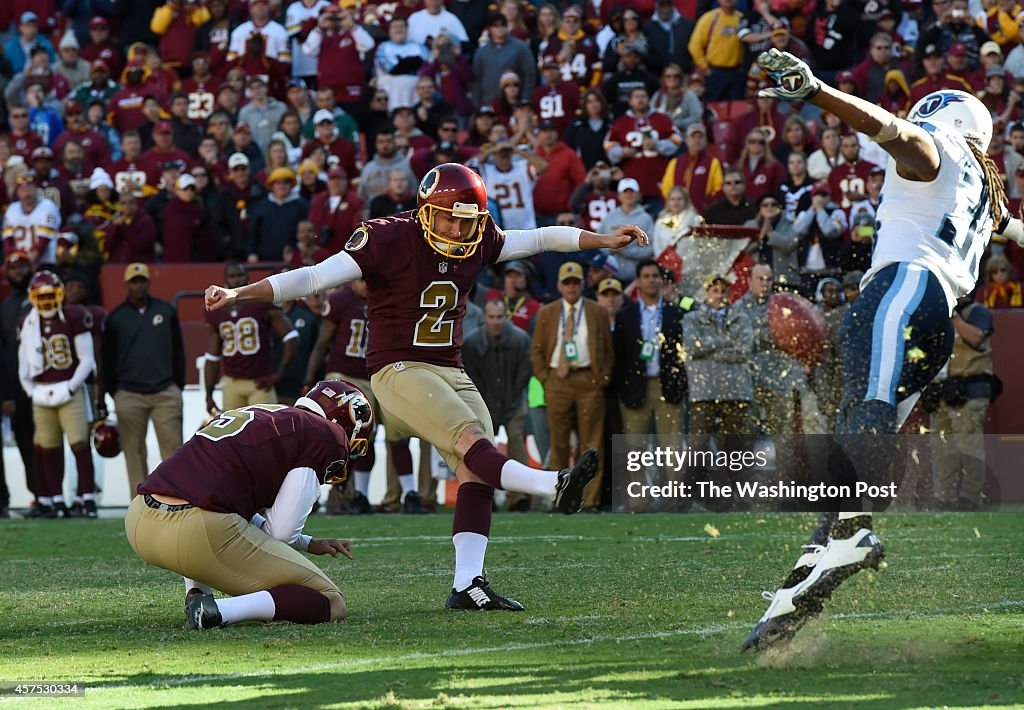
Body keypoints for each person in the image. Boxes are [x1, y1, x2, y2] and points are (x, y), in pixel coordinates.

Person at [206, 162, 648, 609]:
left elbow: (537, 239)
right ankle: (553, 484)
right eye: (448, 217)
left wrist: (602, 240)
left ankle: (467, 584)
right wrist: (239, 294)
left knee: (476, 465)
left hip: (449, 368)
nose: (457, 229)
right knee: (472, 438)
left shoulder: (479, 237)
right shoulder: (387, 236)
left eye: (466, 219)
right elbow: (315, 277)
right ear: (425, 211)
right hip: (398, 368)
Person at [745, 48, 1024, 651]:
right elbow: (1013, 226)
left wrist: (817, 91)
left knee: (864, 412)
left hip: (903, 289)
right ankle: (794, 600)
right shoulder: (987, 187)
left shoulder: (938, 147)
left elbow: (897, 133)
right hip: (935, 321)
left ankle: (848, 535)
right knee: (857, 441)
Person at [125, 380, 369, 630]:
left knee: (215, 507)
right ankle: (217, 611)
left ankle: (197, 595)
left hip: (140, 519)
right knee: (332, 601)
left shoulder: (259, 414)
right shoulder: (326, 434)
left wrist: (306, 542)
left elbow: (219, 494)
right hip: (195, 530)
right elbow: (280, 533)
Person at [17, 271, 97, 519]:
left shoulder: (73, 315)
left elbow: (87, 359)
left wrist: (71, 386)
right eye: (42, 296)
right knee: (47, 448)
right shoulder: (27, 322)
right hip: (42, 392)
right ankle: (57, 500)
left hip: (68, 388)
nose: (47, 301)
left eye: (51, 295)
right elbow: (23, 366)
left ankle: (87, 499)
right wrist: (32, 392)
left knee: (79, 445)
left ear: (60, 294)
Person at [100, 264, 185, 496]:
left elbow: (178, 350)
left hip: (165, 390)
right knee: (133, 451)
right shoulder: (116, 317)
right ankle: (140, 505)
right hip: (129, 393)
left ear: (148, 282)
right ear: (127, 284)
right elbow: (107, 358)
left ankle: (177, 502)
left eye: (142, 281)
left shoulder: (166, 311)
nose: (139, 285)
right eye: (134, 281)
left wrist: (178, 384)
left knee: (173, 450)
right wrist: (114, 391)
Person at [205, 263, 298, 413]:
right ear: (226, 280)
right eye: (232, 276)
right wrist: (208, 394)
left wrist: (278, 374)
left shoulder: (261, 304)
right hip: (231, 382)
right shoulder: (217, 311)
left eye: (240, 275)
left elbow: (291, 337)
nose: (236, 280)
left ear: (247, 278)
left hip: (259, 382)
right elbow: (212, 355)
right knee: (232, 433)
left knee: (267, 432)